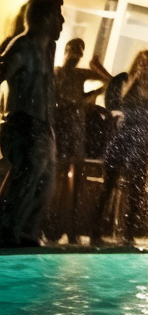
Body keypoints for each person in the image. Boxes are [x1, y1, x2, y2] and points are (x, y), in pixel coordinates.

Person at [0, 0, 64, 247]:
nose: (62, 22)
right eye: (58, 16)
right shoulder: (22, 46)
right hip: (25, 125)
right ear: (45, 18)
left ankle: (26, 236)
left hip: (43, 129)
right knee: (25, 184)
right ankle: (6, 236)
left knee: (43, 185)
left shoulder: (47, 49)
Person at [91, 50, 148, 246]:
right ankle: (109, 230)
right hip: (128, 140)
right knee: (117, 186)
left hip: (133, 141)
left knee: (129, 188)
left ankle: (123, 231)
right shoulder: (129, 82)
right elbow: (113, 104)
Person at [50, 38, 112, 242]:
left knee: (76, 180)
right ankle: (51, 225)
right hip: (60, 128)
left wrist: (95, 83)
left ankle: (72, 231)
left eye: (80, 50)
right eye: (74, 48)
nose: (77, 53)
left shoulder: (79, 73)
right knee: (54, 178)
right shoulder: (56, 71)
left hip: (75, 128)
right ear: (66, 50)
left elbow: (109, 81)